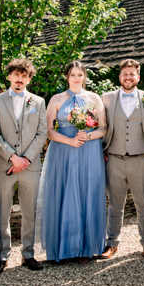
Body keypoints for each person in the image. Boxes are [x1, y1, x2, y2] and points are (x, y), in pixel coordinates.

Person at [39, 61, 107, 263]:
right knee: (64, 191)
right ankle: (64, 246)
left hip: (88, 150)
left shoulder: (94, 98)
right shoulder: (57, 99)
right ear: (66, 77)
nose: (76, 78)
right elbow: (48, 129)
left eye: (79, 75)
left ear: (84, 76)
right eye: (72, 75)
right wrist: (69, 140)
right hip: (63, 150)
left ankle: (86, 247)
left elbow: (103, 128)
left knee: (87, 192)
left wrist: (87, 137)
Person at [0, 58, 47, 272]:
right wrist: (13, 157)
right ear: (9, 76)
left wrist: (26, 159)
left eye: (24, 76)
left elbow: (42, 134)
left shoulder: (38, 102)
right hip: (4, 165)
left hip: (30, 167)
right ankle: (2, 255)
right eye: (16, 75)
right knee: (2, 211)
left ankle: (28, 254)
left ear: (29, 79)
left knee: (29, 211)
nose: (19, 79)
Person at [101, 59, 144, 258]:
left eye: (132, 74)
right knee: (115, 204)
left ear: (138, 76)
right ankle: (111, 243)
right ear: (119, 76)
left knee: (143, 203)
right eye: (125, 73)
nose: (128, 77)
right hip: (114, 158)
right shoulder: (106, 98)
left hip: (142, 159)